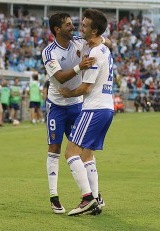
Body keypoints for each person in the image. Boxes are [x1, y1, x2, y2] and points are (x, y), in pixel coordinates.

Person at [42, 12, 108, 214]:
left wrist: (102, 38)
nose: (74, 27)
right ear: (57, 29)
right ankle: (54, 196)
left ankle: (93, 196)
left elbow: (99, 40)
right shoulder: (49, 52)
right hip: (57, 105)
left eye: (73, 24)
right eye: (69, 25)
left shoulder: (79, 42)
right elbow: (60, 77)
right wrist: (80, 66)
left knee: (84, 150)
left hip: (77, 104)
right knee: (54, 150)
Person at [59, 8, 114, 216]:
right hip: (107, 108)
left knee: (71, 153)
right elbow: (107, 42)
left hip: (93, 109)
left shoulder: (93, 54)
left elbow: (85, 89)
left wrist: (67, 93)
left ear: (94, 31)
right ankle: (97, 198)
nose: (80, 27)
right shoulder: (104, 49)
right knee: (88, 155)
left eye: (84, 26)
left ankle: (87, 198)